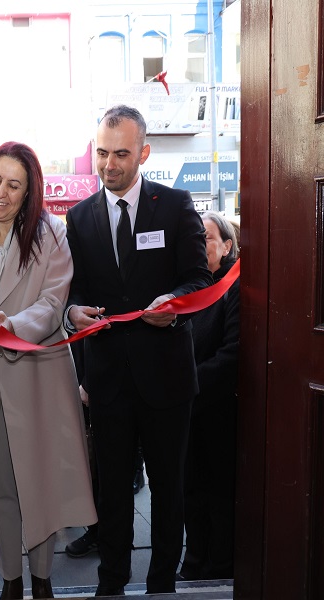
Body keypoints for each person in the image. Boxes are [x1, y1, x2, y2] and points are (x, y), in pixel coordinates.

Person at [64, 104, 212, 596]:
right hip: (107, 382)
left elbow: (198, 279)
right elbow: (75, 293)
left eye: (121, 154)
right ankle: (111, 583)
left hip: (167, 379)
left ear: (143, 152)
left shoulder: (173, 206)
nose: (109, 165)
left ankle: (161, 584)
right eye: (102, 153)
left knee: (168, 488)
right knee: (111, 492)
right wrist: (74, 314)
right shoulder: (80, 217)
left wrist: (177, 303)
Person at [0, 142, 96, 600]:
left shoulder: (52, 233)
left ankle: (43, 578)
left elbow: (53, 304)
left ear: (29, 191)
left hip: (39, 376)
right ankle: (10, 579)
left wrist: (11, 327)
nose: (2, 192)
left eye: (14, 185)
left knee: (41, 481)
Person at [178, 212, 240, 581]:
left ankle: (219, 565)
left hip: (216, 409)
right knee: (189, 490)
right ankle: (194, 559)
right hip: (186, 409)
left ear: (227, 245)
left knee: (218, 492)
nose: (199, 246)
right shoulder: (188, 287)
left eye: (207, 238)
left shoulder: (234, 287)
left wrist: (186, 383)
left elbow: (232, 353)